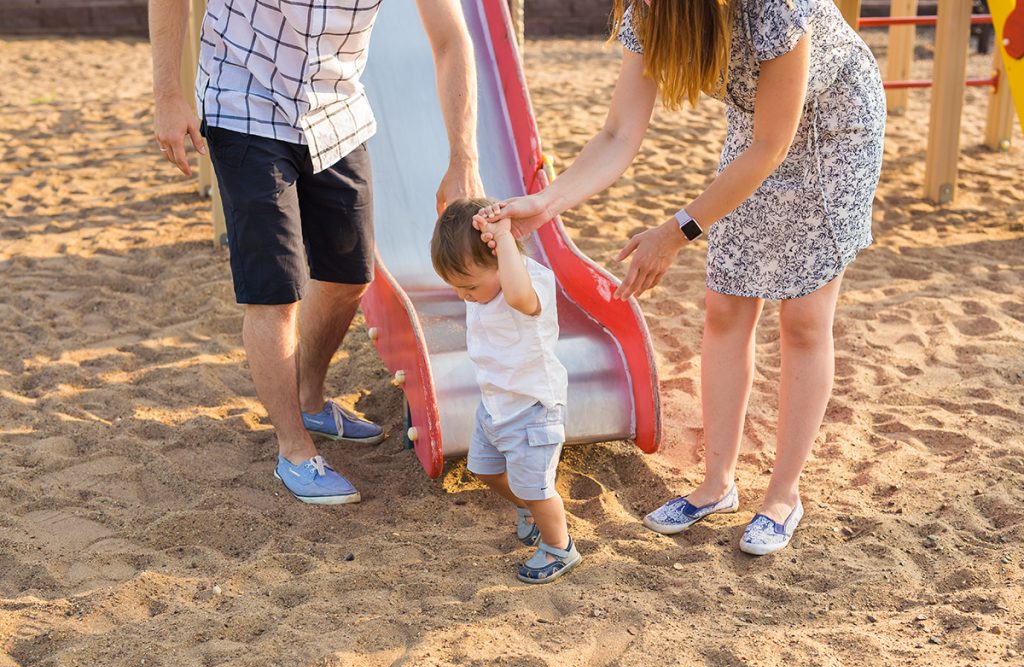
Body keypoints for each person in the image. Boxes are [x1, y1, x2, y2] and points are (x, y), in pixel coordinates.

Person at [477, 0, 886, 555]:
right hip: (758, 128)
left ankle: (783, 495)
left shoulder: (773, 9)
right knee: (726, 308)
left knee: (805, 321)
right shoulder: (648, 11)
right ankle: (717, 485)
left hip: (836, 128)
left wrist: (675, 232)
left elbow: (773, 146)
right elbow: (620, 133)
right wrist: (547, 203)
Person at [149, 0, 484, 504]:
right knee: (275, 293)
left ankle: (309, 400)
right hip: (244, 105)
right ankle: (294, 450)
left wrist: (463, 157)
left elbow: (451, 40)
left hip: (337, 111)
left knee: (351, 275)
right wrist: (168, 94)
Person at [431, 199, 580, 584]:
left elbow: (517, 297)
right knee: (483, 469)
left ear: (502, 259)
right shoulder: (484, 286)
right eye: (456, 288)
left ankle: (559, 547)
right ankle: (528, 508)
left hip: (532, 408)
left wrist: (502, 236)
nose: (463, 295)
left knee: (538, 487)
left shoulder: (530, 284)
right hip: (496, 403)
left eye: (469, 286)